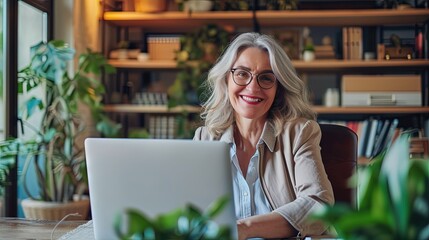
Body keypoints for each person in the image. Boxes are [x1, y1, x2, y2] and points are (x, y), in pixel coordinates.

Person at [193, 32, 334, 239]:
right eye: (242, 73)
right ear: (226, 79)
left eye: (266, 78)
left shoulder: (299, 133)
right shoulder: (205, 139)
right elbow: (193, 210)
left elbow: (318, 205)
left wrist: (244, 228)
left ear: (278, 88)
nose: (252, 87)